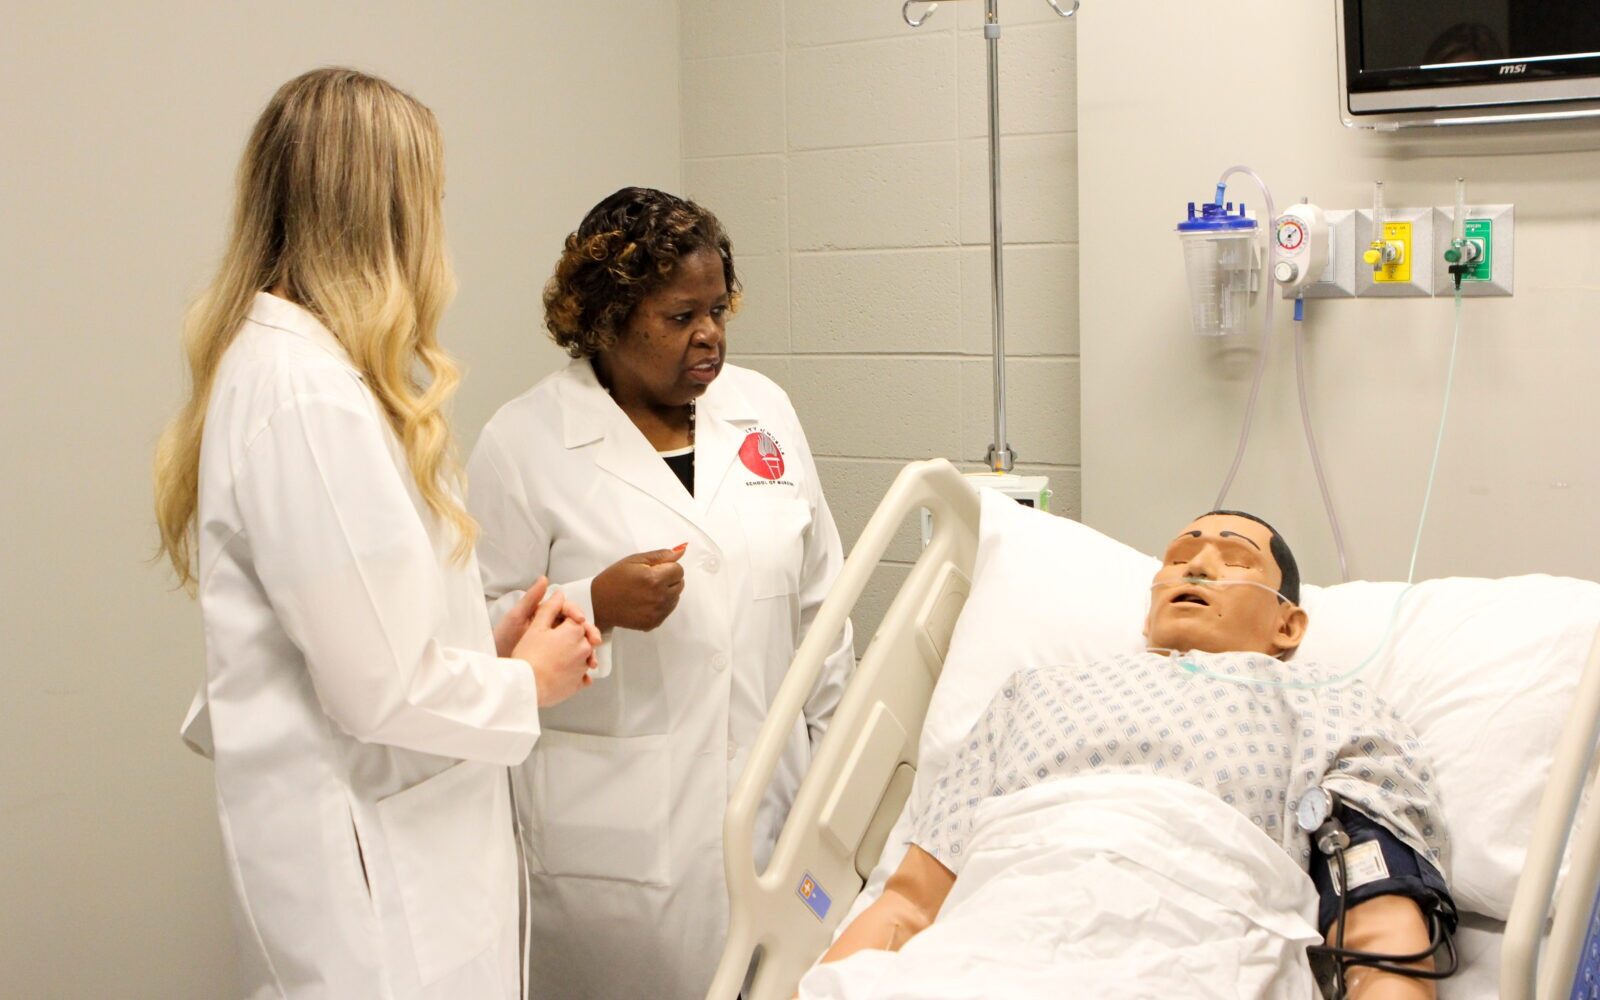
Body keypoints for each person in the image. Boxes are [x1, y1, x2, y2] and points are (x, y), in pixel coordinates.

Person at [152, 68, 599, 999]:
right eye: (428, 201)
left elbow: (361, 631)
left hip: (394, 853)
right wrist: (526, 682)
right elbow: (378, 692)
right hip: (378, 900)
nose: (438, 229)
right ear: (379, 214)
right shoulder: (304, 393)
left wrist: (486, 645)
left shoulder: (303, 373)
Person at [466, 186, 855, 999]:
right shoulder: (523, 443)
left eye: (718, 309)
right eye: (680, 317)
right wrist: (594, 603)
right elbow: (474, 644)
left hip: (775, 822)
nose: (709, 334)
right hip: (616, 854)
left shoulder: (764, 413)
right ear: (605, 318)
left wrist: (839, 794)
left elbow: (824, 613)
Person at [810, 511, 1454, 1000]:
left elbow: (1378, 931)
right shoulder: (1033, 692)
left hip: (1199, 954)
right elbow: (908, 905)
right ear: (1147, 611)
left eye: (1234, 560)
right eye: (1179, 557)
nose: (1197, 566)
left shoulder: (1327, 704)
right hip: (990, 946)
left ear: (1288, 626)